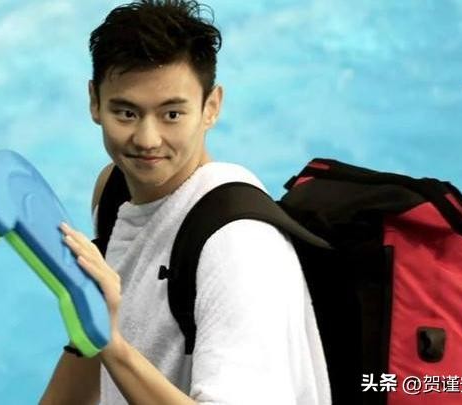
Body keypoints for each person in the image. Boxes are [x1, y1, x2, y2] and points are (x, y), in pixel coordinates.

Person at [39, 1, 330, 404]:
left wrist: (113, 346)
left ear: (211, 107)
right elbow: (89, 348)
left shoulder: (239, 247)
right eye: (126, 113)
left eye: (172, 114)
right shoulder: (114, 192)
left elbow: (106, 343)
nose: (147, 140)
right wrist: (95, 331)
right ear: (94, 102)